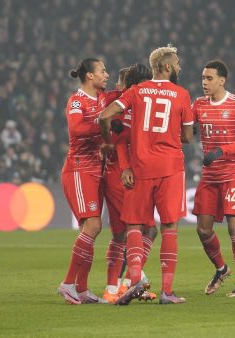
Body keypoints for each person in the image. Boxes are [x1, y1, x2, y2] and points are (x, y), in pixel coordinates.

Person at [98, 45, 194, 305]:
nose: (179, 67)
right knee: (169, 226)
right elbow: (187, 137)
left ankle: (135, 278)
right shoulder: (182, 94)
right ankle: (167, 292)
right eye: (176, 63)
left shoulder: (136, 91)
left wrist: (108, 143)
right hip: (170, 168)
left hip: (140, 168)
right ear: (166, 67)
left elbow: (104, 116)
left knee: (134, 225)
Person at [192, 60, 235, 297]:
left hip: (233, 172)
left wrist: (222, 150)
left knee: (233, 224)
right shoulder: (198, 104)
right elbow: (185, 125)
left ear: (222, 80)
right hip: (210, 176)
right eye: (202, 78)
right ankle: (221, 268)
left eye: (209, 78)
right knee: (203, 230)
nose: (204, 83)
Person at [102, 64, 157, 303]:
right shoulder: (119, 105)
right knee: (132, 231)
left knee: (132, 232)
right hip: (120, 175)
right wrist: (108, 139)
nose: (117, 86)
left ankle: (121, 285)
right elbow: (107, 117)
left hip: (131, 174)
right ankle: (121, 285)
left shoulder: (139, 106)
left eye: (121, 82)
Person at [58, 58, 110, 305]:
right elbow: (76, 129)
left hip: (95, 170)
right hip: (79, 170)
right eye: (102, 71)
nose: (106, 75)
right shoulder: (76, 101)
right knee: (93, 226)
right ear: (90, 75)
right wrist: (103, 122)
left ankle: (82, 288)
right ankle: (68, 283)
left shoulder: (101, 97)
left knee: (90, 230)